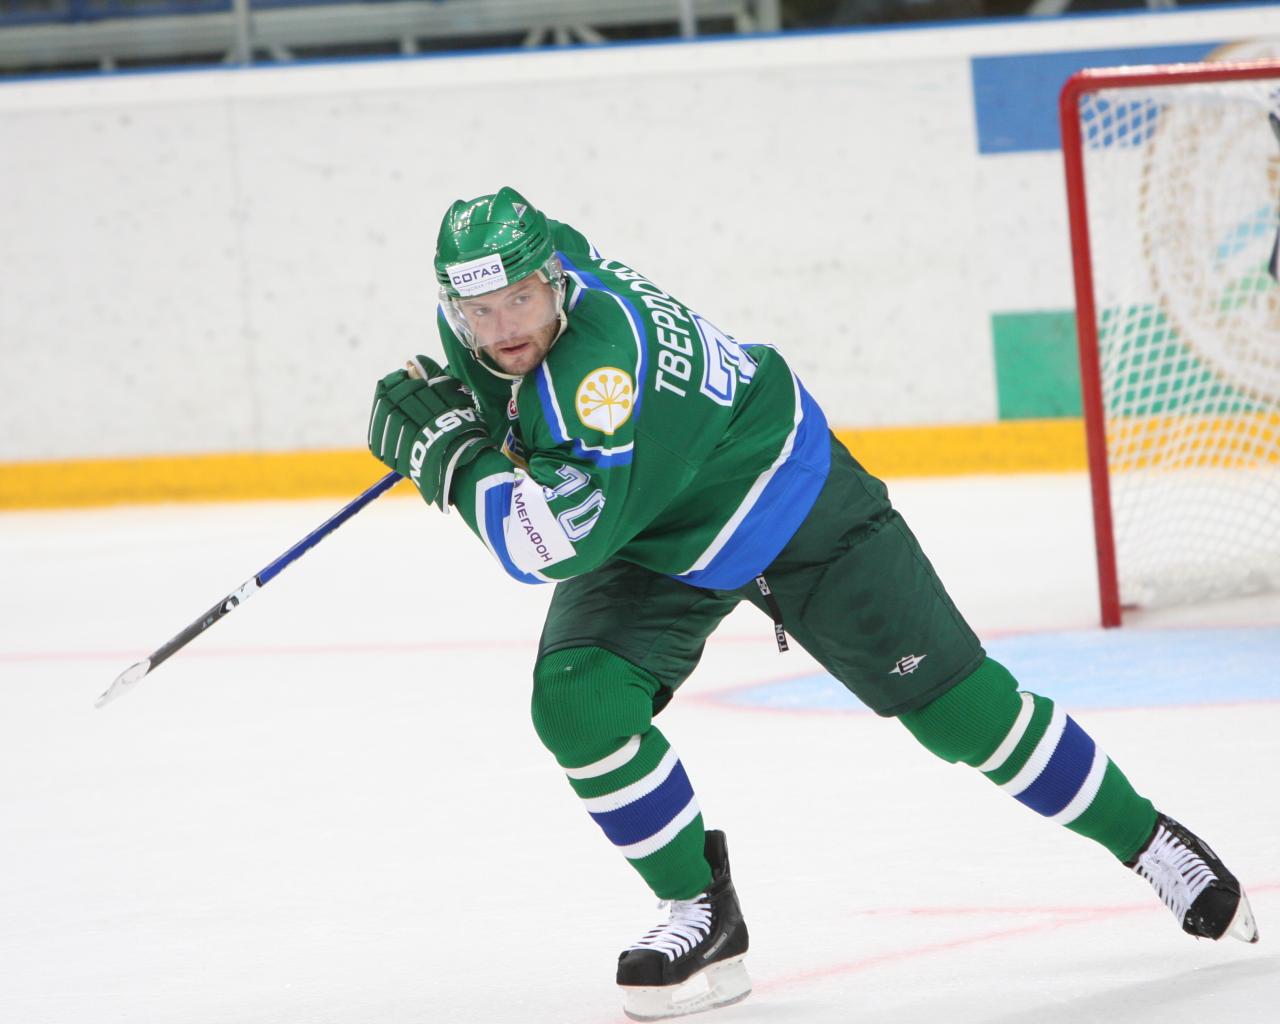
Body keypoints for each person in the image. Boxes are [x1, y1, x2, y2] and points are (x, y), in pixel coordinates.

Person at [367, 187, 1260, 1021]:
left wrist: (451, 457)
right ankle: (700, 912)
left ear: (554, 281)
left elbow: (548, 544)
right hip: (654, 519)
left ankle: (1151, 841)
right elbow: (524, 411)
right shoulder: (523, 280)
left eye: (519, 302)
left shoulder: (599, 378)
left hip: (784, 494)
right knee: (579, 701)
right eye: (477, 311)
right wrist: (473, 413)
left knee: (961, 713)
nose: (501, 329)